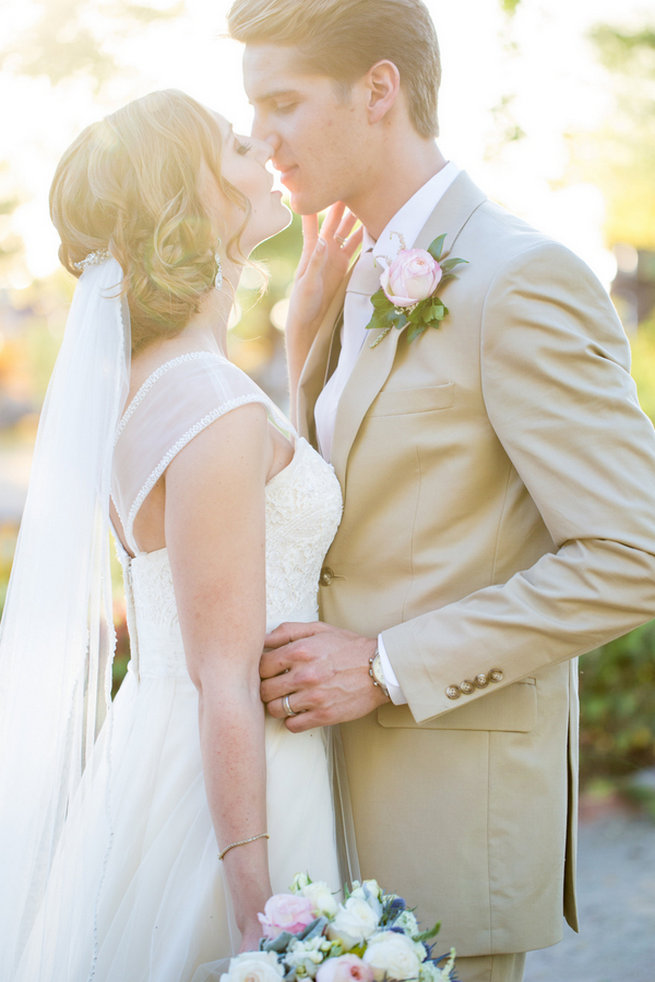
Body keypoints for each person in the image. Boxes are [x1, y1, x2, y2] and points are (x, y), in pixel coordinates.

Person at [226, 2, 655, 980]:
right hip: (329, 802)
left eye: (284, 102)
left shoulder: (520, 278)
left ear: (379, 90)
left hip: (448, 813)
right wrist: (305, 353)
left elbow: (633, 556)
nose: (262, 138)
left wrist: (383, 662)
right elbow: (357, 511)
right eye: (253, 111)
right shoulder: (353, 276)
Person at [0, 89, 361, 982]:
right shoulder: (207, 400)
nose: (265, 146)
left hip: (165, 754)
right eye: (238, 143)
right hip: (237, 782)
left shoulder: (165, 384)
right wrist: (259, 914)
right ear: (189, 196)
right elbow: (224, 675)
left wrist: (304, 335)